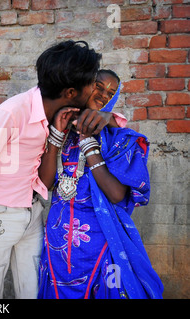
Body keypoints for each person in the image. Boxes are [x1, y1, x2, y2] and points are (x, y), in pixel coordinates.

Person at [0, 40, 125, 299]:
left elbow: (113, 120)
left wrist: (109, 117)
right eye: (92, 85)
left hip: (35, 212)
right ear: (71, 91)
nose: (96, 92)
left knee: (34, 291)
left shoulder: (64, 108)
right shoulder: (13, 111)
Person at [37, 69, 164, 299]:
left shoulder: (118, 138)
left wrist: (89, 145)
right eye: (98, 86)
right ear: (85, 86)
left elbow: (116, 194)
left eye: (111, 92)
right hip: (57, 241)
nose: (104, 94)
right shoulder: (62, 127)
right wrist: (55, 134)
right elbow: (45, 183)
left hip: (99, 238)